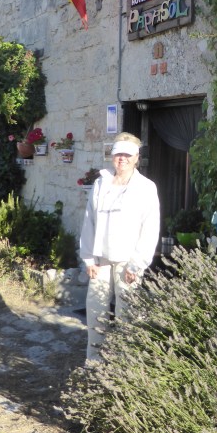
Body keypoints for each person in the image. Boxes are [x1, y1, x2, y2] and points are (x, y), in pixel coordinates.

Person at [79, 132, 160, 362]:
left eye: (127, 154)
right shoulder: (101, 183)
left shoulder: (146, 187)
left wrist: (137, 264)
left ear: (136, 157)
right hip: (101, 260)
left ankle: (125, 365)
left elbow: (150, 228)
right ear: (112, 156)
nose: (122, 158)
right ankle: (95, 362)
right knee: (96, 311)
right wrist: (89, 258)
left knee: (128, 314)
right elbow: (89, 220)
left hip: (128, 262)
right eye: (118, 154)